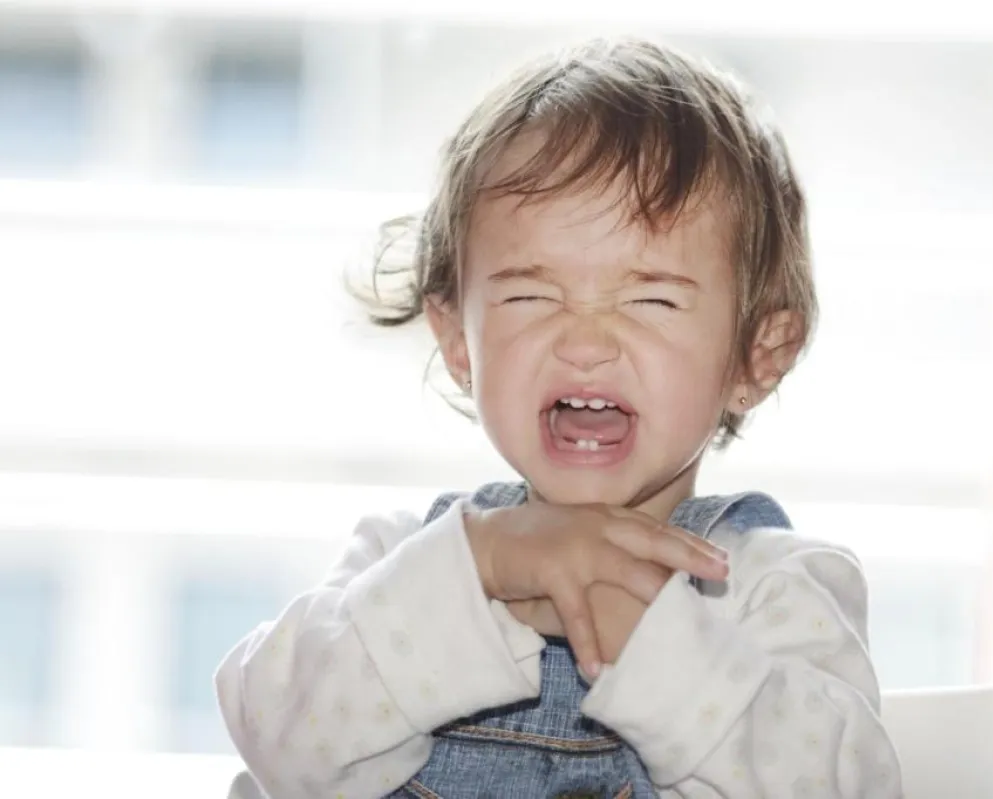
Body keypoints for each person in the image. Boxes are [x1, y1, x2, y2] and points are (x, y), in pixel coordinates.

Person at [215, 36, 903, 798]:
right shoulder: (404, 559)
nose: (584, 342)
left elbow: (848, 785)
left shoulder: (774, 590)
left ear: (755, 355)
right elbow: (275, 737)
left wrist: (648, 635)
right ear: (458, 339)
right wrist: (479, 567)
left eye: (652, 299)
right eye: (530, 295)